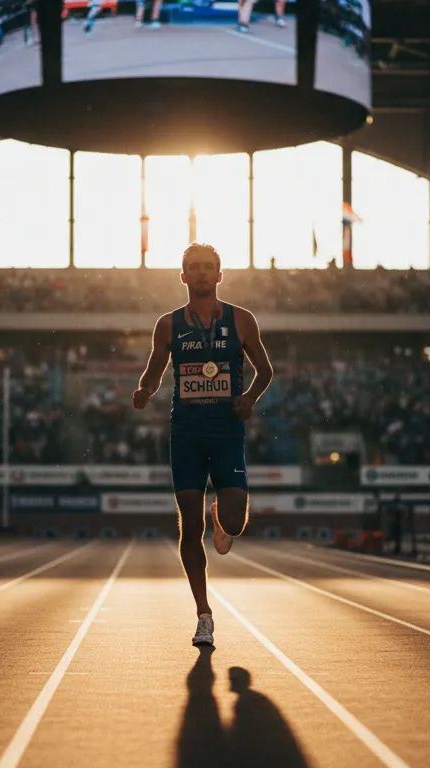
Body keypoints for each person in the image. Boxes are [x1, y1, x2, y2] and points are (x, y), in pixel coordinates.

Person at [133, 242, 275, 646]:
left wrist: (249, 398)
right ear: (182, 276)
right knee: (188, 525)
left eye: (207, 267)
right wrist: (143, 392)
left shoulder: (242, 321)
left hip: (227, 432)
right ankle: (204, 614)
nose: (200, 273)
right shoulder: (168, 325)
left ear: (219, 275)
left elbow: (265, 371)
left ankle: (222, 517)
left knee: (233, 524)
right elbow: (152, 374)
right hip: (187, 434)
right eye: (192, 267)